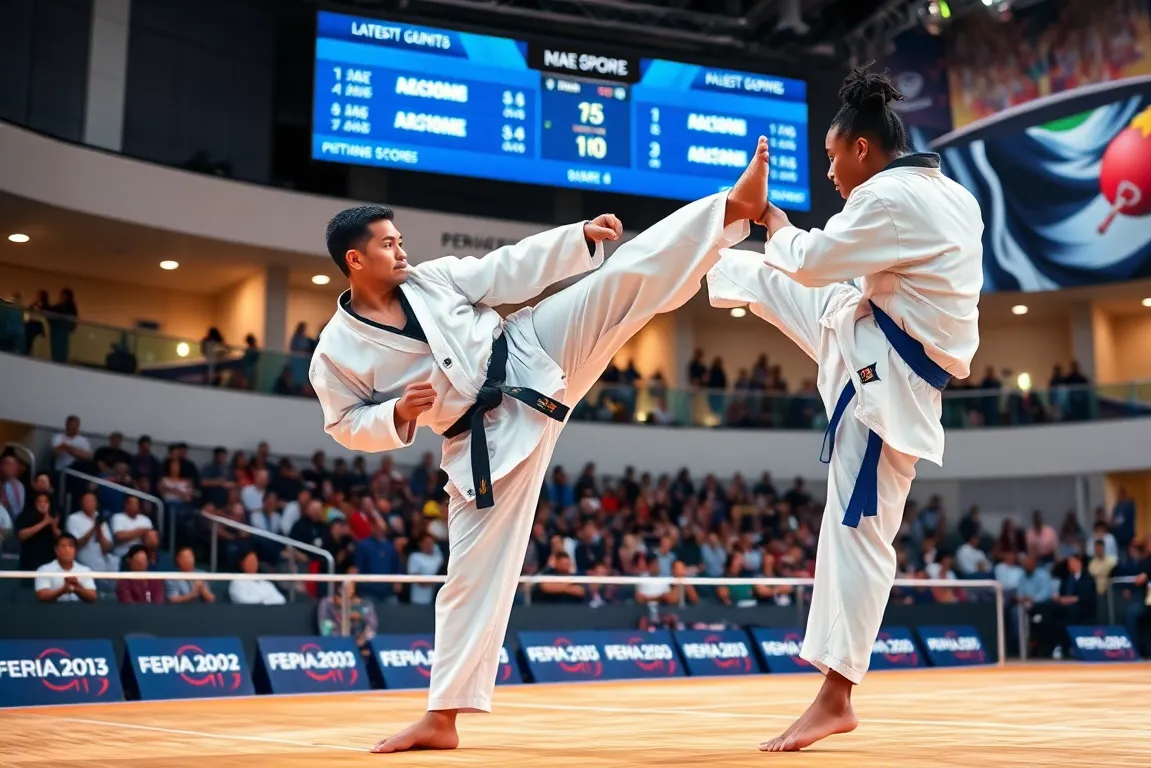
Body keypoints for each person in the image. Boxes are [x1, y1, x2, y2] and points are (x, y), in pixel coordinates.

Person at [311, 137, 766, 754]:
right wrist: (394, 413)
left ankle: (730, 209)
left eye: (399, 240)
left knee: (619, 281)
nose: (401, 250)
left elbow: (504, 269)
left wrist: (576, 238)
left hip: (529, 352)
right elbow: (343, 423)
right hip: (481, 441)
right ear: (354, 260)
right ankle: (442, 717)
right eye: (388, 244)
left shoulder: (431, 280)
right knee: (471, 576)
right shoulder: (335, 352)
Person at [707, 65, 982, 752]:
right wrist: (761, 228)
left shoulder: (887, 198)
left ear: (862, 147)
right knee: (752, 274)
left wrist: (775, 221)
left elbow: (811, 259)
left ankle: (836, 698)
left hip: (883, 381)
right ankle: (695, 250)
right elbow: (826, 268)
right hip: (866, 333)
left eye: (832, 156)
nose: (829, 171)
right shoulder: (952, 195)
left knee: (855, 535)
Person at [34, 534, 98, 603]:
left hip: (79, 608)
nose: (67, 549)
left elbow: (92, 597)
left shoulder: (85, 570)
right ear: (56, 550)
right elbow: (42, 596)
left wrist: (77, 587)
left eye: (70, 546)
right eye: (63, 546)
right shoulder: (44, 570)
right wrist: (62, 590)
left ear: (75, 550)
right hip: (53, 609)